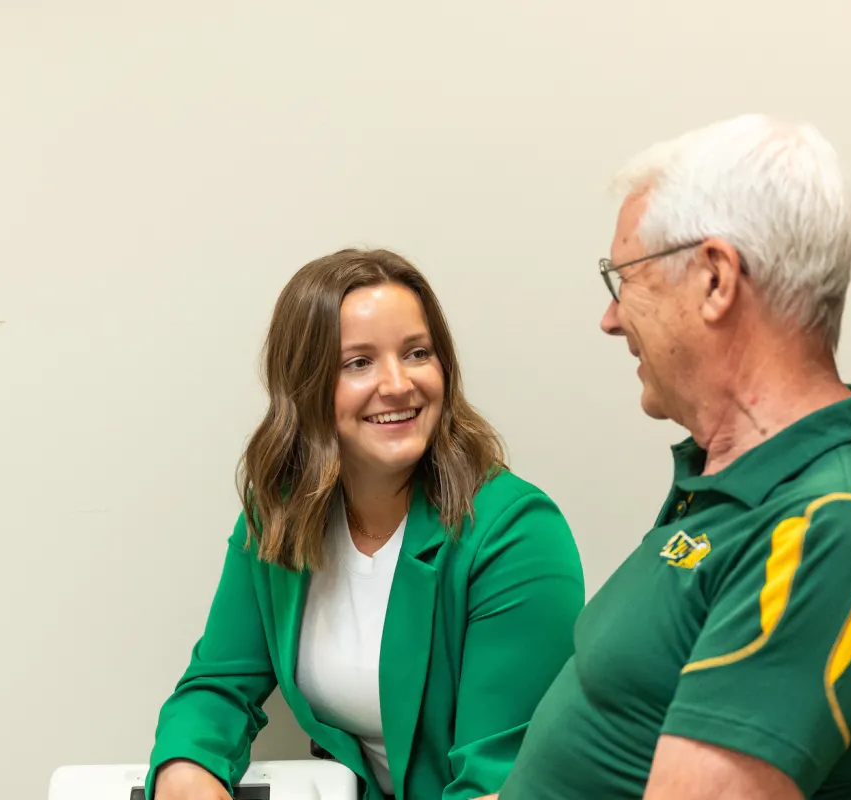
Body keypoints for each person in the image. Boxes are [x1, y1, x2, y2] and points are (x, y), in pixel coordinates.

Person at [495, 115, 851, 799]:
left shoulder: (826, 526)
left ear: (714, 280)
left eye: (625, 279)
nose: (610, 318)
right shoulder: (733, 481)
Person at [147, 248, 586, 800]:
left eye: (417, 353)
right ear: (305, 385)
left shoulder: (517, 534)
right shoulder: (280, 510)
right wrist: (186, 769)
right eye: (358, 362)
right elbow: (219, 685)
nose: (398, 384)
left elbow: (498, 781)